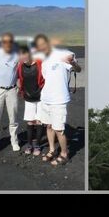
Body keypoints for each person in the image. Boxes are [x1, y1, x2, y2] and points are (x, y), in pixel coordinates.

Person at [35, 33, 81, 167]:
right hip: (46, 98)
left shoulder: (63, 54)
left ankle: (64, 154)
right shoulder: (44, 59)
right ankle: (52, 150)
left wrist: (72, 62)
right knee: (48, 126)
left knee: (59, 129)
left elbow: (78, 69)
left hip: (59, 99)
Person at [0, 32, 20, 152]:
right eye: (5, 41)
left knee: (13, 118)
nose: (7, 44)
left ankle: (14, 141)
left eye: (10, 41)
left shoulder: (16, 54)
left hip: (12, 90)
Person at [16, 45, 45, 156]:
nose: (23, 57)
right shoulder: (20, 66)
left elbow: (46, 77)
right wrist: (20, 88)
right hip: (28, 97)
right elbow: (19, 78)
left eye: (25, 54)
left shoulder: (39, 63)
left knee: (38, 121)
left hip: (41, 96)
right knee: (30, 121)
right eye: (21, 55)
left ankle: (37, 145)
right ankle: (29, 145)